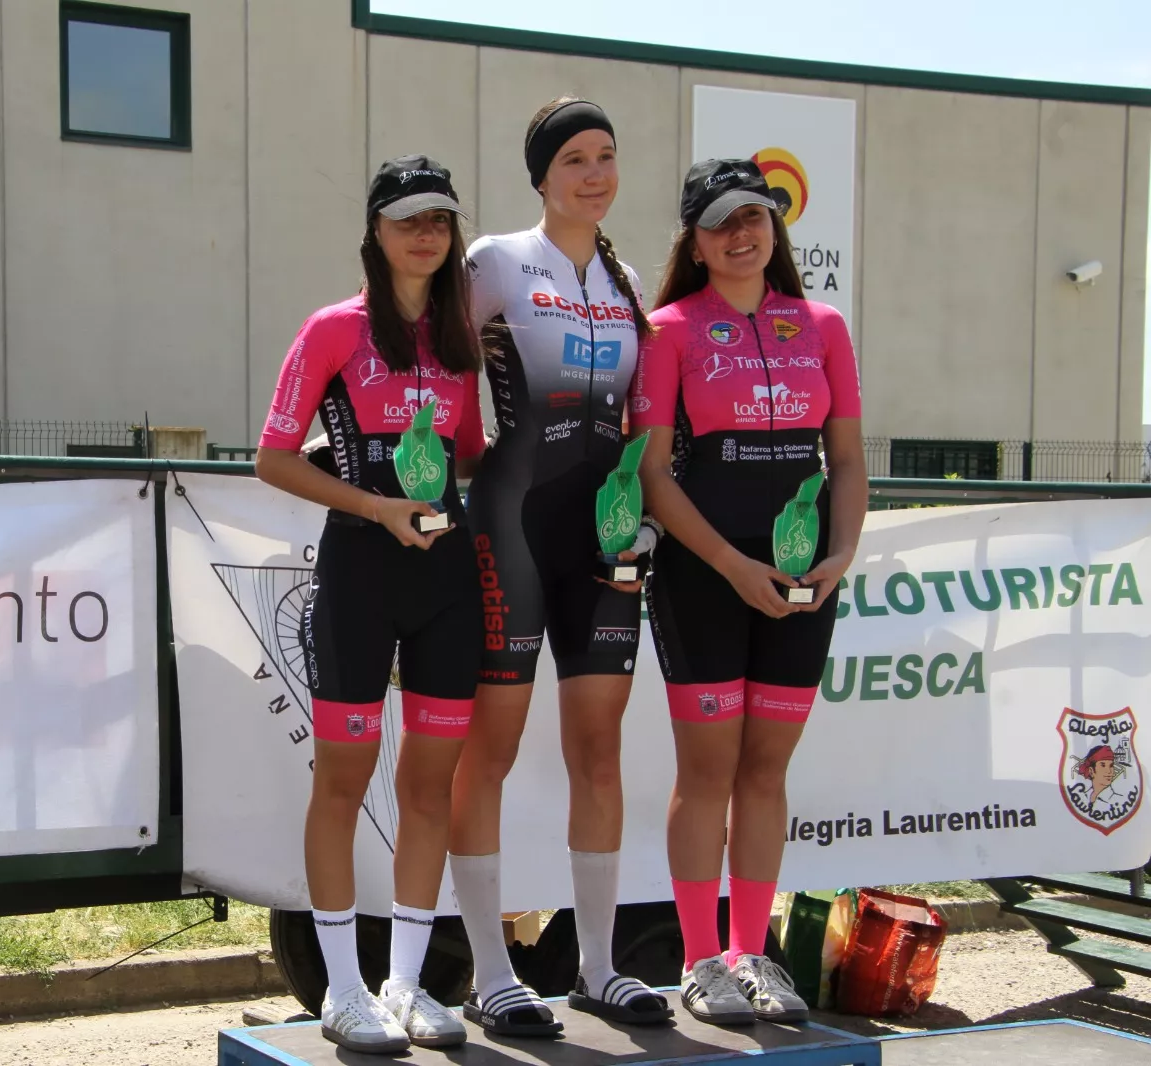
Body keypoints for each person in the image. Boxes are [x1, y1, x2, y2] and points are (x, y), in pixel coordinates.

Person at [448, 96, 672, 1036]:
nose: (594, 173)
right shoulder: (497, 261)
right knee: (489, 752)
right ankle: (489, 971)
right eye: (575, 158)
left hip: (604, 539)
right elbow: (437, 373)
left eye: (607, 156)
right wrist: (442, 479)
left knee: (599, 755)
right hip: (513, 525)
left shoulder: (627, 290)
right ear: (541, 175)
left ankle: (594, 966)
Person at [254, 155, 484, 1054]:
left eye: (440, 219)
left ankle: (406, 983)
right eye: (408, 218)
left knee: (431, 788)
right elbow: (274, 458)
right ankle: (342, 988)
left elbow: (466, 457)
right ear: (376, 231)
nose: (426, 232)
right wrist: (376, 507)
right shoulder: (333, 329)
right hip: (359, 569)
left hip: (446, 581)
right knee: (343, 783)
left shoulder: (464, 335)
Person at [629, 158, 866, 1025]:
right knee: (708, 770)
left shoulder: (823, 325)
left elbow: (844, 459)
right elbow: (653, 472)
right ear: (695, 239)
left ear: (775, 226)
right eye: (721, 222)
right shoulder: (669, 330)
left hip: (806, 576)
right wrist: (730, 564)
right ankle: (699, 958)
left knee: (765, 772)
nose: (741, 234)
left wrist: (838, 556)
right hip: (704, 576)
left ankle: (751, 952)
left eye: (754, 217)